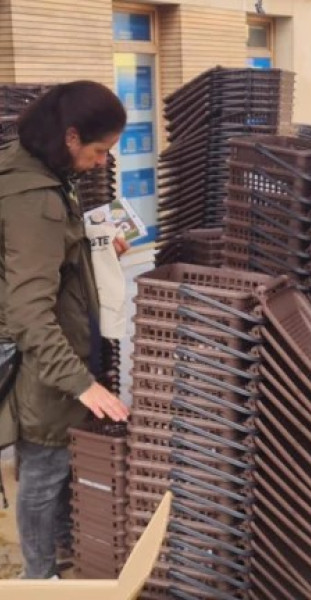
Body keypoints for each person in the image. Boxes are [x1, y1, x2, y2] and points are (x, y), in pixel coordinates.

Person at [0, 80, 130, 580]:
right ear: (72, 137)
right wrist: (82, 382)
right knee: (43, 468)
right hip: (44, 367)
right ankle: (40, 577)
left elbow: (50, 264)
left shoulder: (35, 168)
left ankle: (55, 557)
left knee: (49, 463)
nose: (102, 162)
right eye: (100, 151)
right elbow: (31, 311)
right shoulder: (35, 198)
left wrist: (94, 249)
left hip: (53, 357)